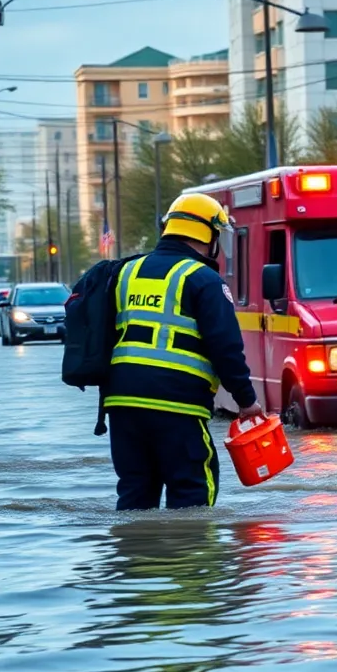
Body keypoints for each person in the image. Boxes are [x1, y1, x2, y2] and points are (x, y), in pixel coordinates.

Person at [103, 192, 262, 510]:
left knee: (135, 495)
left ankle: (134, 556)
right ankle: (193, 560)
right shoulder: (203, 280)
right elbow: (226, 348)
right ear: (209, 234)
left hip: (121, 405)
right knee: (193, 495)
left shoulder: (124, 273)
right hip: (177, 406)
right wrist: (247, 401)